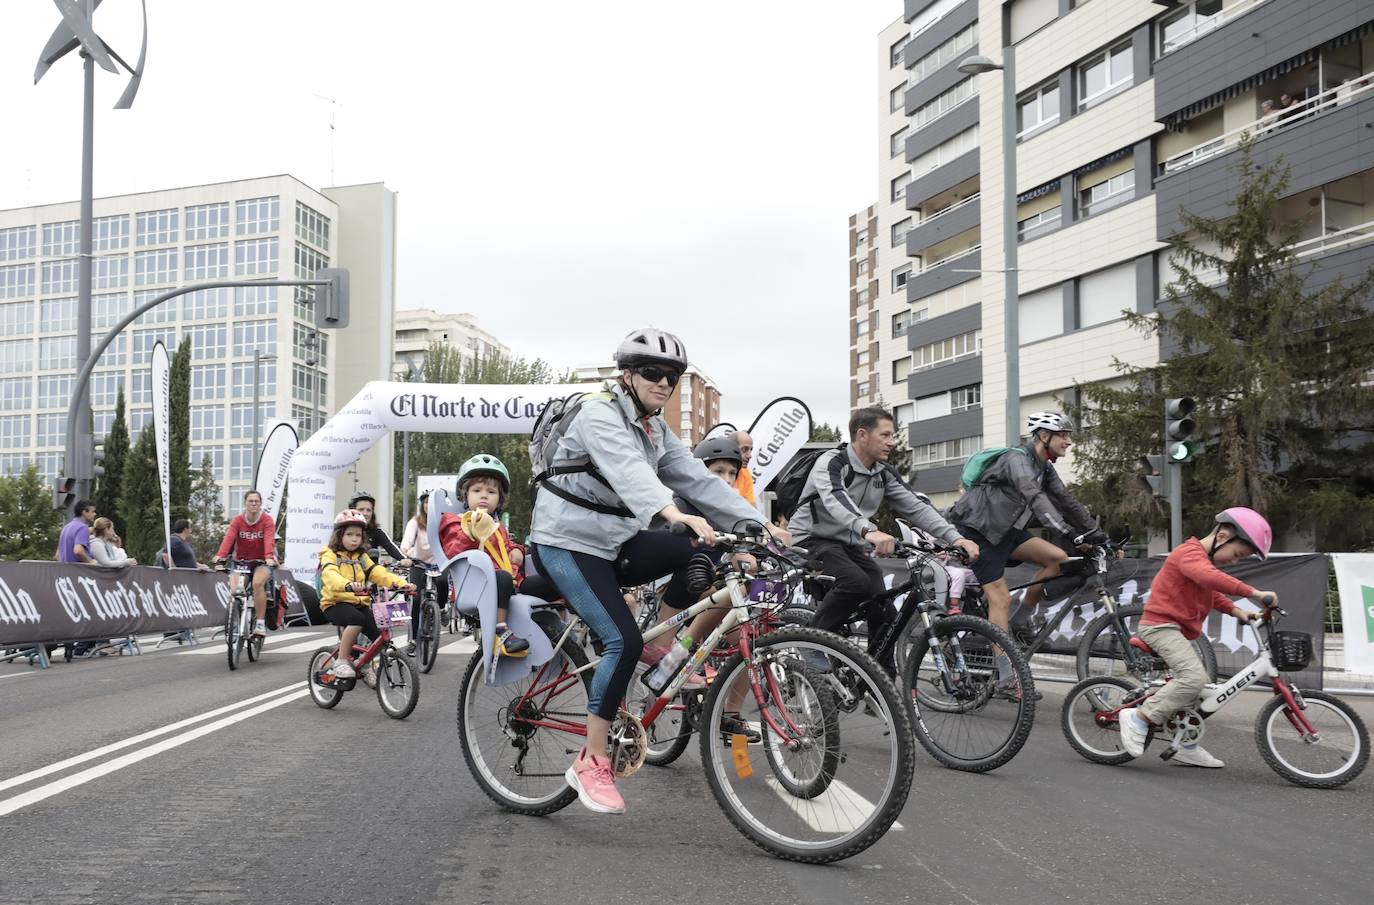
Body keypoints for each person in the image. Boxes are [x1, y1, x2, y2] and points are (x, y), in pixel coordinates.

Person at [529, 327, 784, 815]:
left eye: (672, 376)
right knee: (620, 641)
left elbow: (694, 478)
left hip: (614, 541)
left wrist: (759, 529)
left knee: (695, 553)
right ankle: (591, 760)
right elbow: (630, 472)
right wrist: (673, 514)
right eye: (652, 372)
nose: (663, 383)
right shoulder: (598, 412)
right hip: (566, 543)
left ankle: (663, 649)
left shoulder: (654, 428)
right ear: (627, 375)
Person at [788, 406, 979, 673]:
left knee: (883, 607)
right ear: (863, 434)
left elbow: (916, 507)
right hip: (812, 538)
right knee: (855, 582)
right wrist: (869, 531)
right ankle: (810, 641)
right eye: (886, 435)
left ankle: (878, 677)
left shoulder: (883, 472)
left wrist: (956, 537)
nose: (892, 442)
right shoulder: (833, 462)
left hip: (850, 543)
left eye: (893, 436)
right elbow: (835, 499)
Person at [947, 411, 1104, 698]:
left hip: (1006, 531)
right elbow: (1035, 497)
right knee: (1000, 599)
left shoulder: (1044, 467)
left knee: (1057, 558)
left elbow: (1065, 501)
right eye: (1063, 435)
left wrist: (1093, 531)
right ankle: (1006, 678)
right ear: (1044, 436)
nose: (1069, 441)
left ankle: (1021, 620)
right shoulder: (1017, 460)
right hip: (978, 530)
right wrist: (1070, 533)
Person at [1119, 508, 1277, 768]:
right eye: (1238, 555)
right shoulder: (1189, 554)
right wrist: (1254, 593)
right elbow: (1209, 578)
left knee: (1197, 690)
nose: (1235, 561)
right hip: (1159, 627)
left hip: (1176, 630)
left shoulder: (1202, 562)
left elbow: (1211, 592)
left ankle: (1185, 745)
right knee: (1193, 678)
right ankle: (1140, 717)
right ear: (1223, 536)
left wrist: (1238, 610)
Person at [436, 454, 529, 657]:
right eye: (477, 490)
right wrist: (472, 531)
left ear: (500, 498)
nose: (484, 496)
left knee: (544, 581)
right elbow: (453, 550)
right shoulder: (456, 521)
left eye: (491, 492)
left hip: (508, 583)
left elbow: (507, 544)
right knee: (503, 577)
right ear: (465, 496)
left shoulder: (498, 525)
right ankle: (500, 630)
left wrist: (517, 550)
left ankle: (557, 634)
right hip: (476, 584)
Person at [317, 509, 414, 679]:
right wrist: (346, 585)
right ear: (339, 535)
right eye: (349, 534)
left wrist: (402, 584)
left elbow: (378, 573)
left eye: (358, 535)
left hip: (358, 603)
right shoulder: (329, 554)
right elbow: (330, 575)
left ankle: (363, 664)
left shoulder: (361, 557)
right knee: (356, 620)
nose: (354, 539)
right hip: (334, 603)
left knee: (379, 637)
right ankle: (340, 661)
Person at [214, 490, 278, 639]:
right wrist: (220, 555)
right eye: (251, 501)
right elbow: (229, 538)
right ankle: (236, 616)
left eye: (256, 501)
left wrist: (269, 556)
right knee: (235, 589)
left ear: (260, 504)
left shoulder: (267, 520)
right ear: (245, 503)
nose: (254, 503)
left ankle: (260, 623)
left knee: (257, 584)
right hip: (241, 561)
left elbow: (269, 539)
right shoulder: (237, 521)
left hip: (261, 561)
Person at [400, 490, 449, 655]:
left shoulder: (444, 521)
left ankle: (441, 609)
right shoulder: (415, 522)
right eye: (426, 502)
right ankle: (413, 639)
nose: (429, 505)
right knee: (416, 597)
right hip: (418, 563)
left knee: (442, 583)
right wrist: (407, 555)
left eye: (432, 502)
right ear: (422, 505)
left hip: (438, 563)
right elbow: (406, 543)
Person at [348, 491, 410, 567]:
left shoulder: (376, 531)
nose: (365, 513)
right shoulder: (342, 531)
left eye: (369, 510)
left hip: (371, 573)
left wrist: (403, 559)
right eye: (361, 509)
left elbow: (390, 546)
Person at [57, 499, 97, 564]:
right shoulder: (82, 528)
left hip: (64, 571)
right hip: (78, 572)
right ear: (84, 512)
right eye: (93, 511)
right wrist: (90, 562)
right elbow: (78, 551)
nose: (95, 514)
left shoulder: (66, 527)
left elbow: (58, 554)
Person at [732, 430, 756, 505]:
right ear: (731, 448)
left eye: (750, 450)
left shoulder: (745, 474)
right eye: (744, 449)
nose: (750, 456)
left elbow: (752, 508)